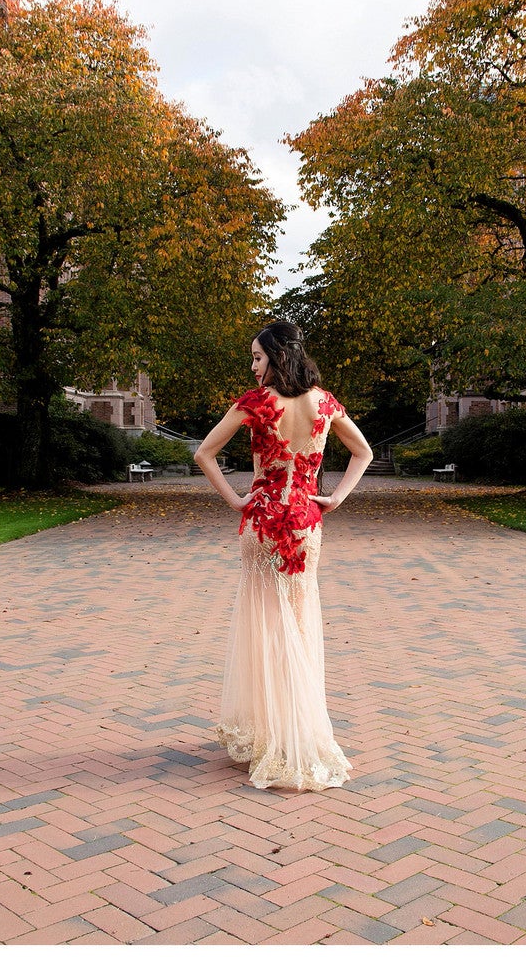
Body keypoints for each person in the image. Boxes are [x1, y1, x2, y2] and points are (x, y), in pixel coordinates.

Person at [194, 321, 373, 791]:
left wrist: (236, 499)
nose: (253, 366)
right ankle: (297, 730)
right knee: (297, 621)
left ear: (277, 355)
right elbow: (364, 452)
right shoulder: (325, 402)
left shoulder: (256, 404)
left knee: (265, 625)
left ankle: (271, 733)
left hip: (263, 521)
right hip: (305, 523)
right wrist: (334, 498)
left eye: (257, 357)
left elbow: (204, 454)